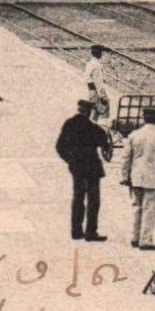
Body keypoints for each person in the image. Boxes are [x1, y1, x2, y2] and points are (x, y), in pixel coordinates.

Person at [55, 99, 112, 241]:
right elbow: (103, 141)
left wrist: (70, 160)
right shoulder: (92, 127)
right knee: (93, 200)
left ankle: (76, 231)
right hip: (92, 168)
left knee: (78, 198)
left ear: (79, 109)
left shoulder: (69, 124)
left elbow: (59, 146)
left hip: (77, 168)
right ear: (89, 112)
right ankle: (91, 232)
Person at [122, 107, 155, 250]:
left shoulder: (134, 135)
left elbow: (126, 158)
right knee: (149, 209)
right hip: (153, 178)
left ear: (143, 118)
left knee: (136, 207)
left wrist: (125, 176)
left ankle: (135, 236)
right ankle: (146, 240)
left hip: (136, 177)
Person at [83, 45, 110, 121]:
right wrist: (102, 95)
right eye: (101, 53)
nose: (101, 55)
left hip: (93, 90)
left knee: (94, 111)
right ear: (98, 53)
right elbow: (96, 80)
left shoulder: (90, 62)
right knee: (103, 111)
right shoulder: (96, 64)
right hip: (96, 91)